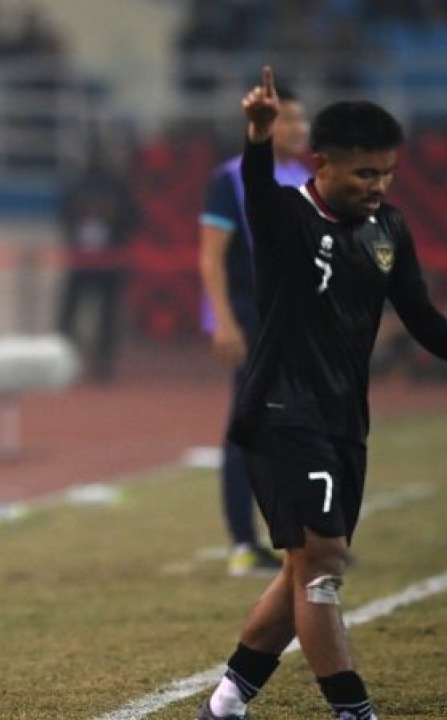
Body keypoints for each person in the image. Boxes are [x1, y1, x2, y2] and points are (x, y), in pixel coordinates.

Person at [196, 67, 447, 720]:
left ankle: (227, 701)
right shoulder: (285, 216)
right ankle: (353, 711)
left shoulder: (389, 230)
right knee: (323, 566)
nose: (378, 186)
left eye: (387, 174)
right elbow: (256, 189)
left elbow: (418, 312)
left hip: (345, 420)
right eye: (365, 173)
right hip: (282, 412)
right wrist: (258, 137)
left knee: (301, 570)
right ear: (322, 164)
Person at [197, 82, 308, 577]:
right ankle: (243, 542)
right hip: (251, 316)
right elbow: (211, 256)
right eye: (290, 119)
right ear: (263, 123)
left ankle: (297, 534)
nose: (301, 128)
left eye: (303, 119)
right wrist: (222, 320)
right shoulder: (230, 179)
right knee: (248, 427)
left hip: (295, 319)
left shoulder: (305, 177)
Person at [55, 151, 139, 383]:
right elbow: (64, 214)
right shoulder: (77, 185)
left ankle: (103, 363)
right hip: (82, 261)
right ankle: (63, 360)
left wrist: (117, 231)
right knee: (70, 314)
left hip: (110, 261)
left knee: (106, 317)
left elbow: (133, 218)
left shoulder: (118, 188)